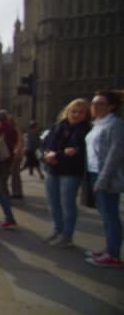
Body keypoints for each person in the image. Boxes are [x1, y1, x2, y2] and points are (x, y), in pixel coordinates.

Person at [43, 98, 91, 247]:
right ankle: (57, 229)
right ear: (67, 112)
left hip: (70, 172)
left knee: (67, 205)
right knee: (53, 202)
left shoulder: (86, 131)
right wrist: (46, 155)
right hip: (52, 169)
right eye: (73, 111)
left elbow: (77, 152)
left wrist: (56, 156)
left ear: (86, 115)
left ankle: (67, 235)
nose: (76, 115)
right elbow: (44, 144)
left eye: (80, 112)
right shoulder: (57, 127)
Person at [84, 90, 124, 267]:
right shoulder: (98, 124)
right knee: (105, 214)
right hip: (93, 172)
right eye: (93, 103)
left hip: (105, 175)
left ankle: (113, 255)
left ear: (111, 106)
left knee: (110, 215)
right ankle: (109, 248)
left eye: (99, 103)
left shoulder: (115, 124)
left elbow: (115, 154)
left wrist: (103, 178)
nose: (94, 106)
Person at [0, 110, 18, 197]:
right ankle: (5, 195)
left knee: (0, 177)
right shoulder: (12, 128)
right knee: (4, 177)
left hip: (1, 155)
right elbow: (15, 141)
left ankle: (4, 196)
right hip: (10, 155)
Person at [9, 116, 24, 199]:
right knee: (15, 174)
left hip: (16, 155)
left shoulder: (15, 130)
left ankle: (17, 192)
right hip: (17, 154)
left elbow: (19, 143)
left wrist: (15, 153)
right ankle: (16, 191)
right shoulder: (15, 129)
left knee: (15, 174)